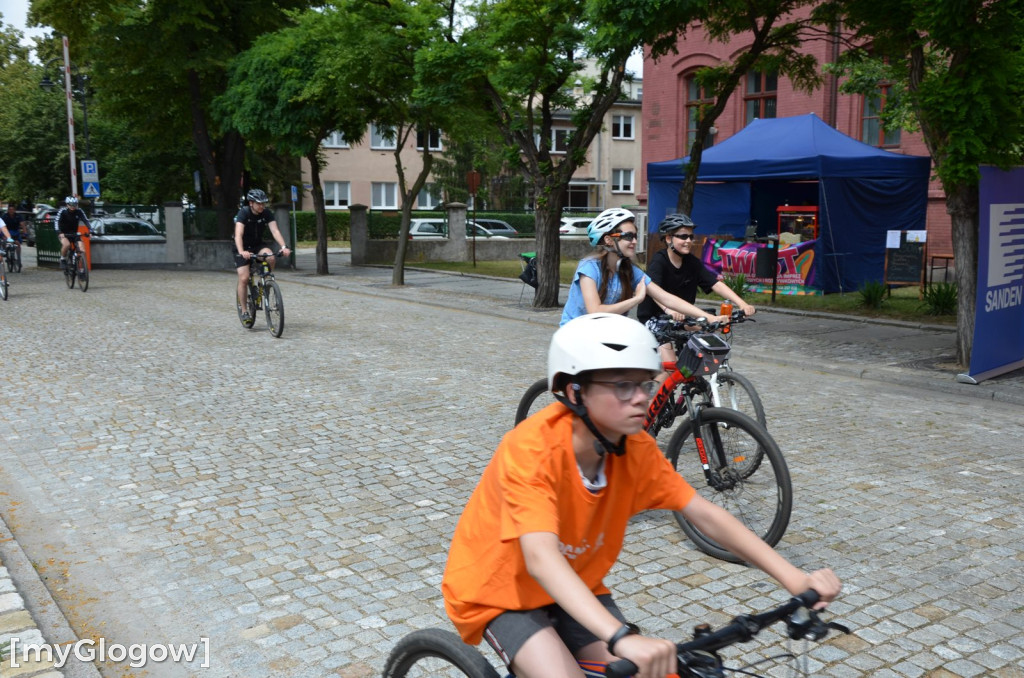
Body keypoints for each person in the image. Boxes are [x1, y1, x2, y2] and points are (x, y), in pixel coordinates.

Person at [441, 313, 841, 678]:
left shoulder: (635, 449)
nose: (641, 397)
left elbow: (704, 514)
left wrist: (795, 578)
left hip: (577, 583)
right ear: (575, 392)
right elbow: (542, 559)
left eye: (645, 383)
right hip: (501, 589)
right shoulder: (531, 450)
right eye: (621, 385)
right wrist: (619, 636)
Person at [637, 214, 756, 380]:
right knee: (670, 369)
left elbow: (715, 283)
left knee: (707, 338)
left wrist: (742, 304)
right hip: (655, 318)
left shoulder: (692, 262)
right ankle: (653, 403)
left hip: (680, 318)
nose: (688, 240)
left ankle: (693, 388)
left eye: (691, 237)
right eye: (683, 236)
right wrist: (668, 309)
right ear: (669, 238)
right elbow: (653, 290)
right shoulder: (659, 261)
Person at [559, 208, 726, 327]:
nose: (634, 241)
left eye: (635, 236)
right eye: (628, 236)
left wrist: (708, 317)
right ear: (609, 240)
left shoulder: (629, 270)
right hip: (576, 333)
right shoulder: (589, 269)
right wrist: (637, 299)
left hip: (605, 333)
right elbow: (595, 310)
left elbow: (666, 298)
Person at [233, 188, 291, 322]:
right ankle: (244, 311)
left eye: (263, 203)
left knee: (270, 256)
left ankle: (265, 281)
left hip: (257, 245)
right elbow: (238, 235)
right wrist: (242, 251)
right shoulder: (244, 213)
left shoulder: (266, 213)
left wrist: (283, 247)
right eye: (259, 203)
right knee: (244, 278)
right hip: (241, 247)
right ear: (251, 203)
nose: (262, 206)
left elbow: (275, 231)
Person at [54, 197, 92, 270]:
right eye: (70, 205)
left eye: (74, 205)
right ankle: (63, 259)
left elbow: (86, 220)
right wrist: (59, 232)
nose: (72, 206)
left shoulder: (79, 211)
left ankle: (82, 270)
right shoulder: (62, 211)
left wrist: (90, 230)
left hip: (74, 233)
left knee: (82, 250)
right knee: (67, 244)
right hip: (64, 233)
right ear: (67, 205)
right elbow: (57, 221)